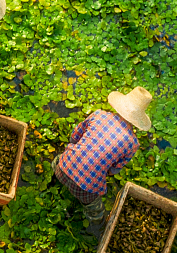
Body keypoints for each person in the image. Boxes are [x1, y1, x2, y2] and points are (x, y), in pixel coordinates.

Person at [54, 88, 149, 225]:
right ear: (139, 119)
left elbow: (74, 137)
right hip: (85, 188)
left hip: (62, 167)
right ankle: (97, 224)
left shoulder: (99, 115)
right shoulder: (133, 143)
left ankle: (54, 179)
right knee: (95, 209)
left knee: (59, 159)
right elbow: (114, 170)